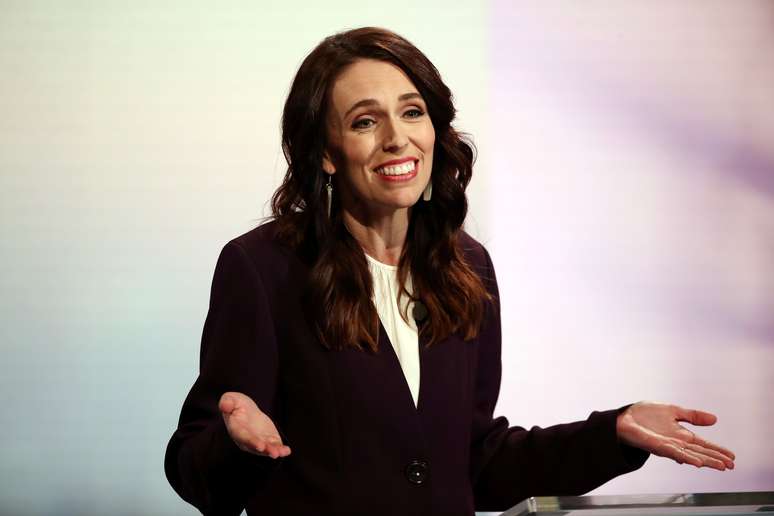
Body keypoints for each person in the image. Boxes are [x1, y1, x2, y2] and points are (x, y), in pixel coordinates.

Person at [164, 27, 735, 516]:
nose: (397, 138)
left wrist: (611, 434)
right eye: (365, 121)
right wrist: (234, 443)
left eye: (412, 112)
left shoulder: (467, 267)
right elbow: (194, 470)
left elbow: (475, 462)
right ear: (326, 153)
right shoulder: (263, 269)